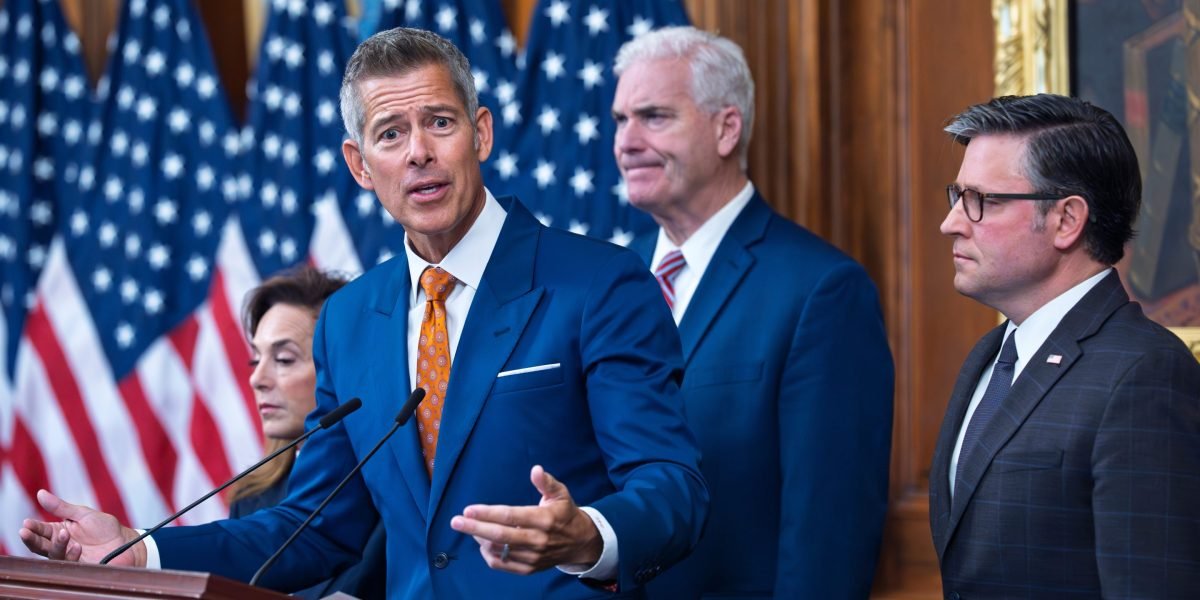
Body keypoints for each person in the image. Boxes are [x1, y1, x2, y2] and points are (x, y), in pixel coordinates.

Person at [19, 27, 709, 598]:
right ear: (359, 164)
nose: (419, 152)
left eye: (440, 123)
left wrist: (589, 535)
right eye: (390, 133)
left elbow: (672, 486)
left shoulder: (597, 284)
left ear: (481, 134)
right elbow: (315, 526)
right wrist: (141, 549)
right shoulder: (349, 318)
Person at [612, 26, 894, 599]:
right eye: (620, 120)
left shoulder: (822, 291)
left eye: (654, 117)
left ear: (727, 128)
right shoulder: (611, 279)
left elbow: (828, 538)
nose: (627, 142)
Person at [929, 93, 1200, 597]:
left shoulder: (1145, 373)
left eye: (982, 200)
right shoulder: (988, 356)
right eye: (957, 196)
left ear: (1067, 220)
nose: (952, 223)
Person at [225, 266, 386, 600]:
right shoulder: (252, 496)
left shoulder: (395, 490)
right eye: (256, 360)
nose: (257, 379)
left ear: (341, 368)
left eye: (284, 359)